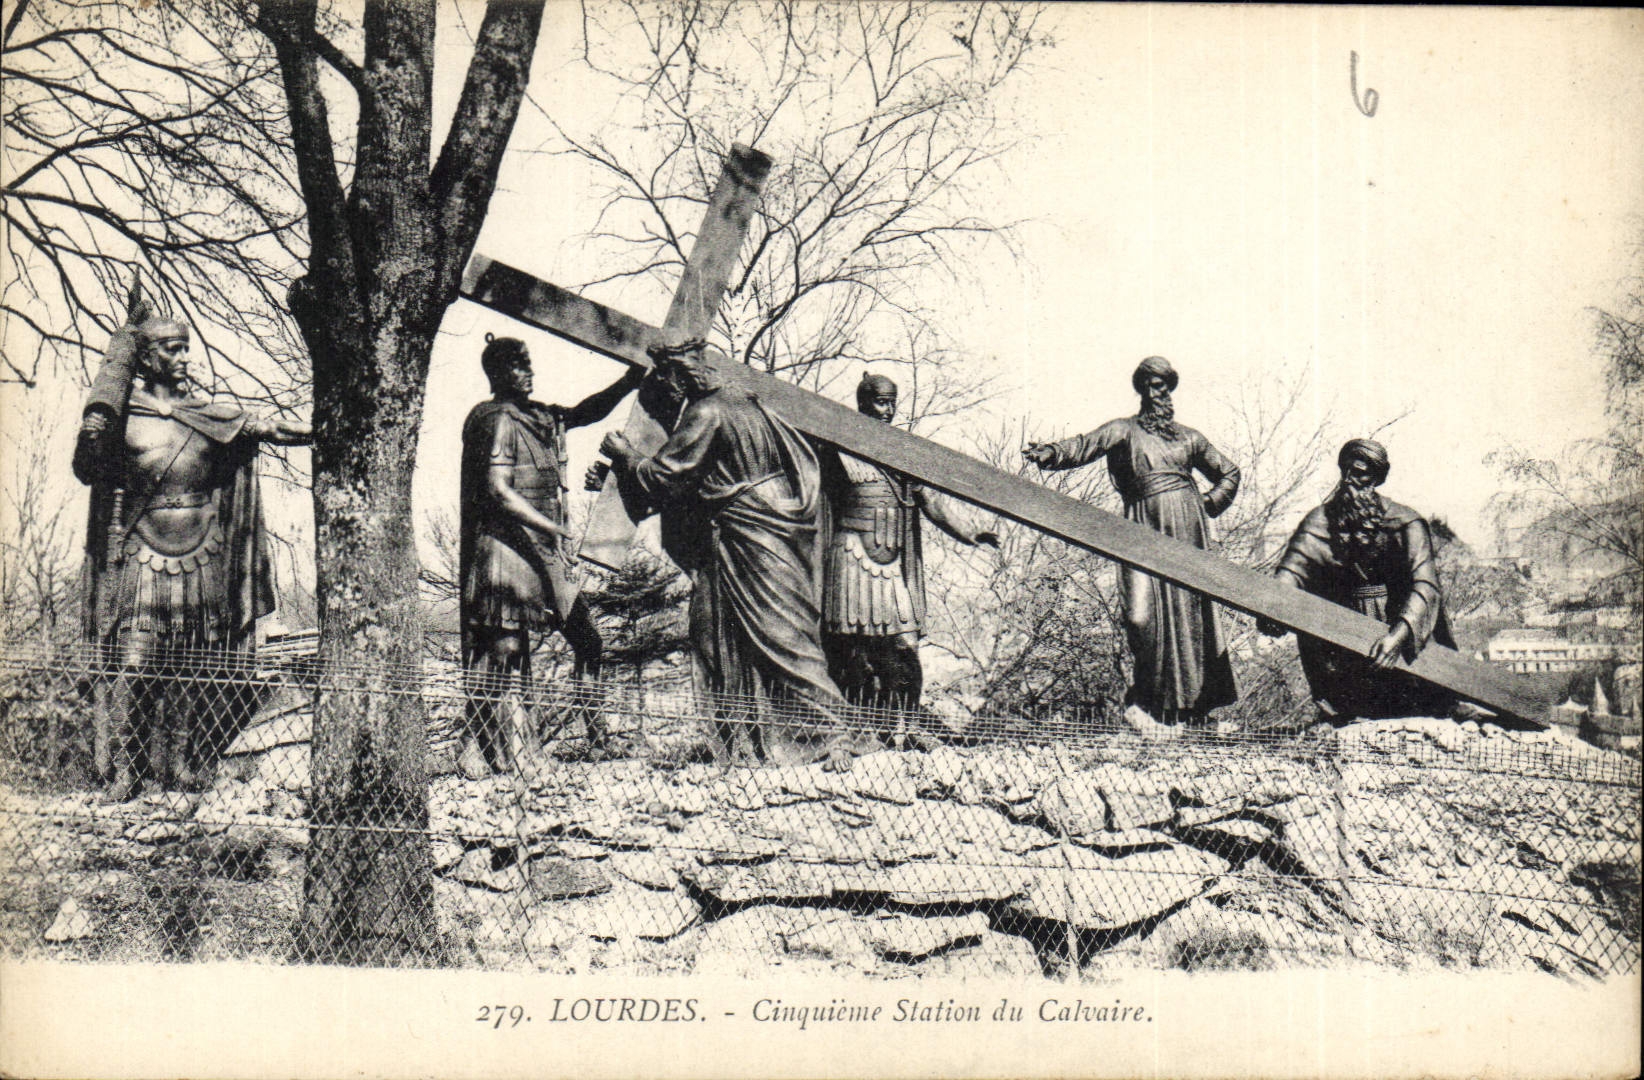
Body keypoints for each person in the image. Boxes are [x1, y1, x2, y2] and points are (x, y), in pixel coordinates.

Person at [592, 338, 870, 771]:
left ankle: (833, 736)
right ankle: (756, 745)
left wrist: (625, 456)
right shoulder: (746, 401)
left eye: (666, 382)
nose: (665, 393)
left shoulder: (707, 412)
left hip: (750, 535)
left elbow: (667, 479)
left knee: (780, 634)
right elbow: (702, 483)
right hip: (771, 526)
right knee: (733, 632)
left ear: (679, 376)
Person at [74, 300, 310, 801]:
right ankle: (127, 769)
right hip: (141, 553)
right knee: (136, 663)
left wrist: (329, 426)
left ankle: (182, 764)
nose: (184, 358)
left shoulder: (209, 414)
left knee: (190, 666)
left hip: (203, 551)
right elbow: (87, 465)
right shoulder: (123, 418)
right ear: (147, 359)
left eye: (186, 348)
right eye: (172, 349)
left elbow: (273, 429)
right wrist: (104, 397)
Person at [458, 334, 642, 778]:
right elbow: (497, 490)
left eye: (529, 363)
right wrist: (552, 525)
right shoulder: (496, 419)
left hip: (542, 555)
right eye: (520, 365)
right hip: (506, 553)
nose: (530, 371)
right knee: (504, 651)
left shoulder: (538, 416)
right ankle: (486, 750)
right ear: (498, 373)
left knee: (588, 641)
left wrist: (629, 381)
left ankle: (597, 740)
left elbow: (583, 412)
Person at [1023, 356, 1240, 729]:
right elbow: (1085, 444)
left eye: (1164, 385)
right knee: (1140, 617)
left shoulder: (1190, 437)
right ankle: (1150, 698)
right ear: (1140, 390)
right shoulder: (1124, 430)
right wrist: (1052, 453)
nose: (1157, 392)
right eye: (1150, 385)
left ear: (1170, 390)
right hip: (1140, 530)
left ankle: (1195, 711)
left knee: (1192, 617)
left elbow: (1229, 473)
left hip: (1187, 532)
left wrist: (1206, 504)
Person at [819, 373, 997, 731]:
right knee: (854, 651)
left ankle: (910, 724)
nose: (888, 410)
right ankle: (864, 729)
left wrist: (969, 532)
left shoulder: (903, 452)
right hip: (851, 555)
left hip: (891, 563)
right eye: (881, 401)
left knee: (905, 645)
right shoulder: (836, 448)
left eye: (892, 402)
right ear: (863, 402)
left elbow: (930, 501)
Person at [1259, 438, 1458, 721]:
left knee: (1407, 703)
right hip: (1342, 633)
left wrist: (1398, 637)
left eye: (1362, 474)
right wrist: (1274, 609)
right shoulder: (1320, 521)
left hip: (1394, 624)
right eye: (1347, 472)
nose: (1351, 481)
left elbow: (1425, 585)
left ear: (1377, 478)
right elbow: (1292, 571)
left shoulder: (1406, 522)